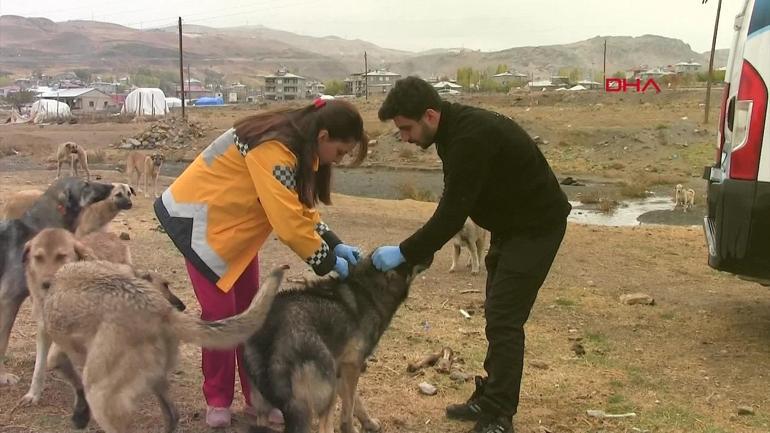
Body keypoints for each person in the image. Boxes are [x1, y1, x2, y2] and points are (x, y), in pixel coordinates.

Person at [372, 77, 571, 433]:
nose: (403, 137)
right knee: (497, 311)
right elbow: (458, 204)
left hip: (537, 228)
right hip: (511, 228)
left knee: (505, 319)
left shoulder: (467, 138)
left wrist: (404, 252)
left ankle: (499, 415)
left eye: (405, 128)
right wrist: (418, 253)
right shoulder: (452, 132)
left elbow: (451, 214)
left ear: (430, 115)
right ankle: (490, 396)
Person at [154, 98, 367, 428]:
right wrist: (326, 261)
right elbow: (287, 221)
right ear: (323, 136)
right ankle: (218, 399)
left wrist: (335, 243)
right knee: (222, 317)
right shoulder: (274, 148)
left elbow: (301, 208)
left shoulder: (298, 148)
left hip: (235, 234)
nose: (337, 161)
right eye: (339, 152)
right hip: (200, 227)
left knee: (255, 316)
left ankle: (260, 397)